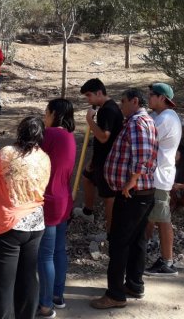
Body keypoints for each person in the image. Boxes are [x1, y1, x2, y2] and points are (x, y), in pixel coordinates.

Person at [91, 88, 158, 309]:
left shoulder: (139, 123)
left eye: (123, 101)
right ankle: (134, 284)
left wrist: (131, 181)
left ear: (135, 101)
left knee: (119, 243)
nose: (120, 105)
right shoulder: (139, 121)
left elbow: (142, 154)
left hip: (132, 193)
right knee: (137, 240)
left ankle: (115, 295)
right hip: (138, 192)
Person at [0, 116, 51, 319]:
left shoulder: (7, 154)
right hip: (35, 224)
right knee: (27, 280)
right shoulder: (44, 157)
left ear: (20, 132)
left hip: (6, 225)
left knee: (1, 285)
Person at [37, 99, 77, 318]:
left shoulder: (50, 135)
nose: (45, 117)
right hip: (63, 199)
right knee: (59, 250)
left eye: (46, 113)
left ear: (54, 113)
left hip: (48, 201)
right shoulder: (70, 137)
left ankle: (45, 304)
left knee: (45, 256)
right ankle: (57, 295)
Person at [73, 78, 124, 234]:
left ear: (99, 93)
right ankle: (88, 212)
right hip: (100, 158)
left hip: (108, 161)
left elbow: (103, 137)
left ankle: (110, 233)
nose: (88, 100)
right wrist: (94, 159)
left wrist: (89, 120)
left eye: (89, 95)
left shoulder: (108, 110)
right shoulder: (105, 108)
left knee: (109, 197)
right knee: (87, 178)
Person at [144, 83, 182, 277]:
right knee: (151, 218)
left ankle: (167, 262)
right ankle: (142, 253)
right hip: (156, 176)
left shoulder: (166, 118)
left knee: (162, 219)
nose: (148, 98)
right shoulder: (160, 117)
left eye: (151, 95)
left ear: (162, 98)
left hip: (160, 177)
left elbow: (145, 136)